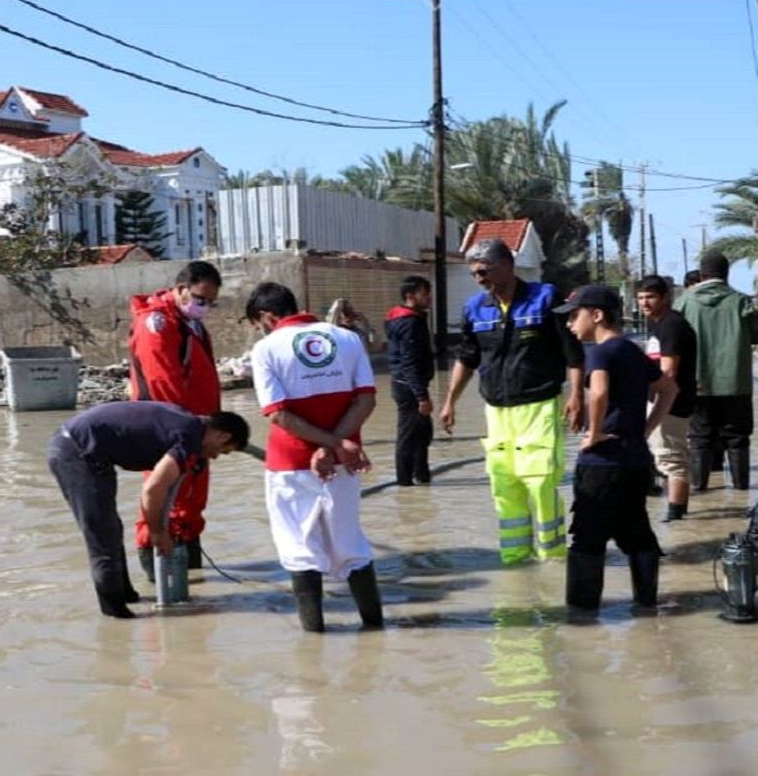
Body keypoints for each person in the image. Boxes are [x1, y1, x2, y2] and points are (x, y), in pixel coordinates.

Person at [246, 282, 383, 632]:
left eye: (258, 323)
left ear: (267, 317)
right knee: (350, 544)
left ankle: (314, 643)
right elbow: (366, 399)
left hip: (290, 464)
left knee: (299, 548)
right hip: (345, 461)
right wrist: (338, 444)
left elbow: (278, 414)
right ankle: (374, 628)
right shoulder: (348, 338)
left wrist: (327, 444)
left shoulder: (266, 349)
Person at [439, 238, 585, 565]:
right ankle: (516, 558)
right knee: (505, 484)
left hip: (539, 406)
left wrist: (577, 395)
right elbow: (467, 357)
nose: (479, 279)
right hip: (497, 411)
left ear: (507, 265)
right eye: (474, 274)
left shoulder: (545, 298)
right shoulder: (475, 308)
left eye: (484, 271)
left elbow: (572, 352)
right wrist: (450, 400)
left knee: (540, 481)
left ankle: (554, 558)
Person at [46, 402, 249, 619]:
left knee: (111, 528)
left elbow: (167, 485)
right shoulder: (187, 436)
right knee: (102, 537)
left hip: (91, 450)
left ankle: (127, 596)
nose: (215, 457)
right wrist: (157, 532)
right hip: (75, 450)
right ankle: (117, 617)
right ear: (222, 436)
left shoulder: (191, 427)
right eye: (223, 451)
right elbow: (153, 489)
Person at [554, 285, 678, 611]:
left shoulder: (600, 352)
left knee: (587, 539)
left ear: (596, 316)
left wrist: (594, 434)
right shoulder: (631, 350)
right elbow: (669, 388)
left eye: (574, 317)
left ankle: (582, 616)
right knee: (636, 532)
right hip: (635, 460)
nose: (569, 325)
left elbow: (598, 393)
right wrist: (645, 429)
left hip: (602, 463)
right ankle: (647, 605)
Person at [127, 261, 223, 581]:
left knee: (191, 505)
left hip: (197, 431)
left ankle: (192, 582)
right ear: (181, 289)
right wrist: (187, 432)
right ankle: (163, 580)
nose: (204, 306)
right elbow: (163, 385)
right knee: (168, 502)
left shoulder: (187, 323)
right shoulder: (158, 324)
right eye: (200, 299)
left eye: (211, 301)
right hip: (174, 432)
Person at [673, 251, 758, 491]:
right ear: (726, 274)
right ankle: (741, 491)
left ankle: (700, 490)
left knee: (700, 439)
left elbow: (672, 340)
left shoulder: (684, 301)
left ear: (702, 275)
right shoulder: (741, 301)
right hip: (736, 384)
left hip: (697, 384)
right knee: (737, 438)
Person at [636, 275, 698, 522]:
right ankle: (673, 510)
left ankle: (676, 515)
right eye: (640, 298)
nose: (644, 303)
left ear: (665, 298)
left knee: (672, 458)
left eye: (650, 297)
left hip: (670, 403)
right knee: (662, 455)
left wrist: (658, 403)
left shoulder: (672, 326)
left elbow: (669, 371)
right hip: (659, 400)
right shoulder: (659, 325)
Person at [385, 275, 435, 487]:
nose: (429, 298)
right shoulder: (409, 324)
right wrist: (421, 395)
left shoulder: (408, 318)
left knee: (423, 432)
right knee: (408, 435)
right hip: (409, 387)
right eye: (425, 293)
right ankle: (404, 483)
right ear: (410, 296)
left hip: (409, 384)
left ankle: (422, 476)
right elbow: (409, 362)